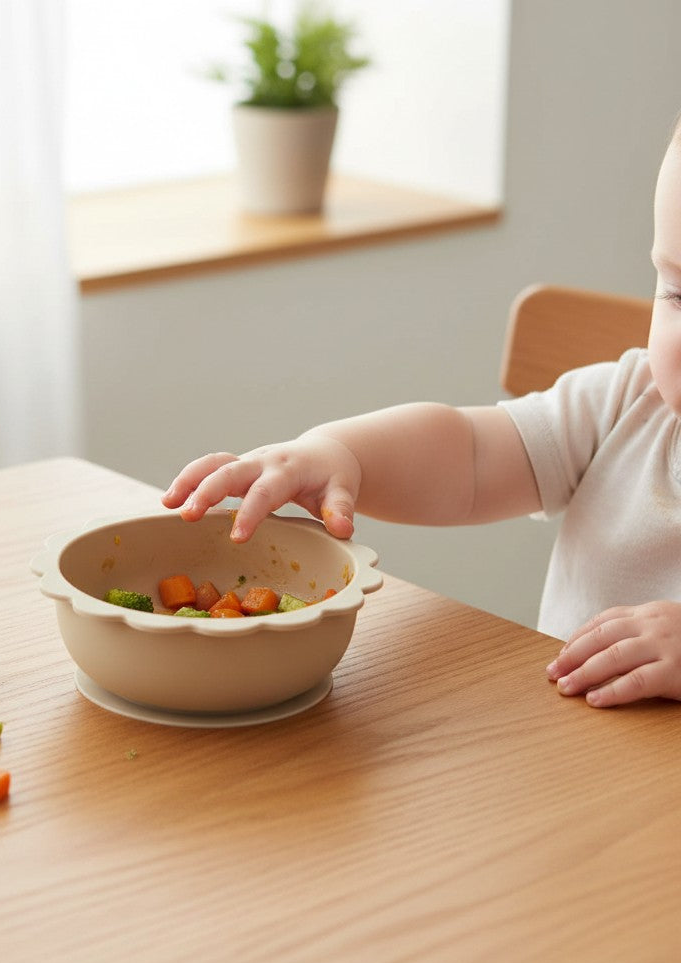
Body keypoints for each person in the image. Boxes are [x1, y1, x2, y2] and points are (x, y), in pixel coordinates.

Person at [163, 125, 681, 710]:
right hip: (565, 765)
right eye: (679, 294)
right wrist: (341, 454)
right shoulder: (624, 406)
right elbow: (470, 455)